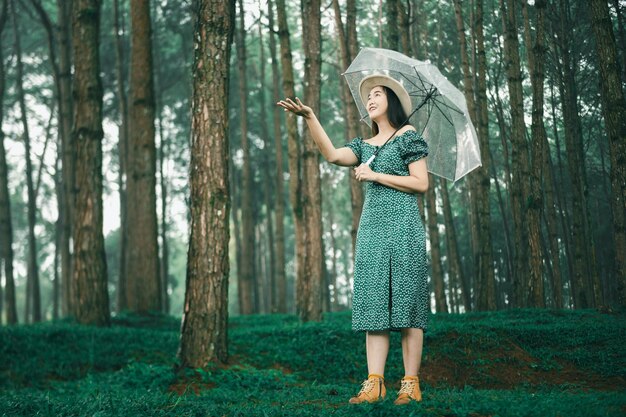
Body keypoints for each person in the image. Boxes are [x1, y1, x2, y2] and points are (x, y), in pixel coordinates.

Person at [276, 74, 429, 406]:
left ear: (392, 100)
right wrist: (311, 118)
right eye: (367, 97)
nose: (370, 100)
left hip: (403, 227)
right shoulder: (364, 146)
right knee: (374, 306)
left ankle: (410, 384)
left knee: (407, 306)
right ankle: (375, 383)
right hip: (372, 230)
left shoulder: (408, 136)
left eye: (377, 94)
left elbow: (421, 183)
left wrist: (374, 175)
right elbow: (331, 155)